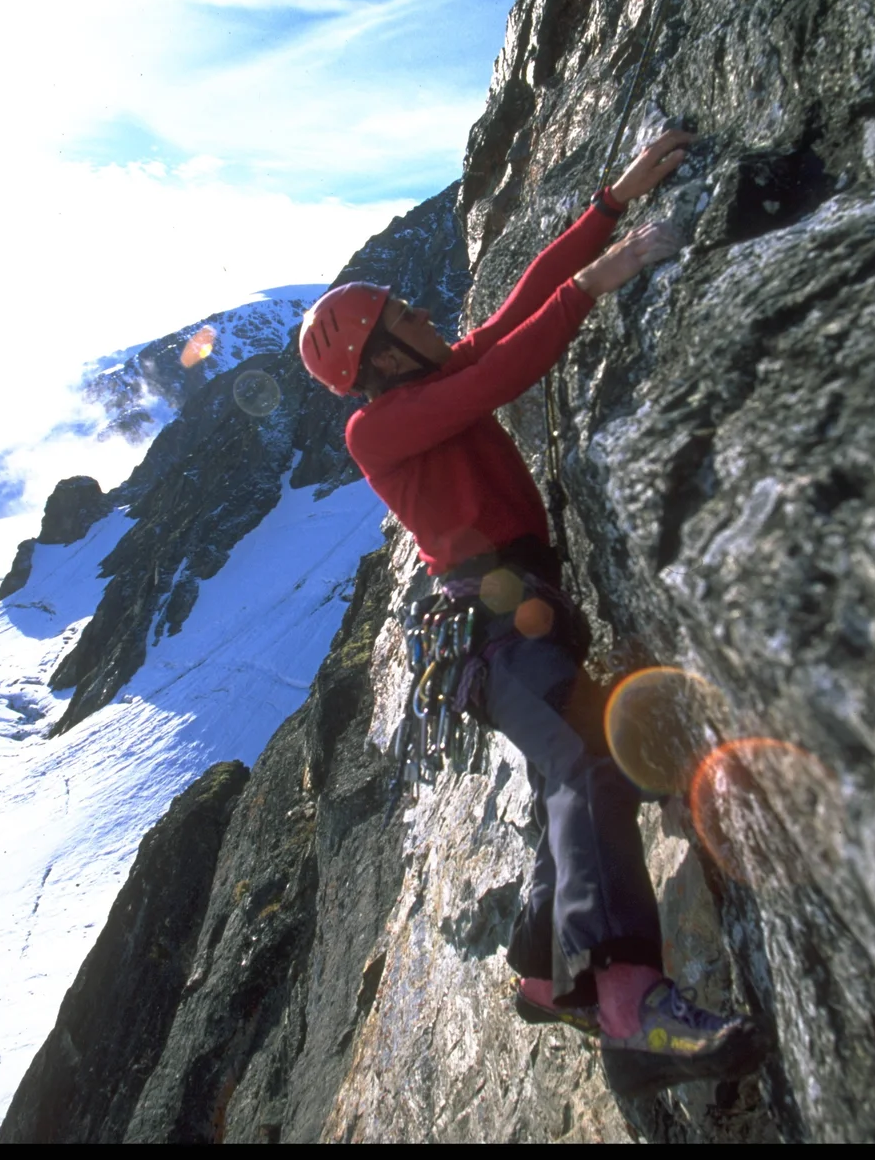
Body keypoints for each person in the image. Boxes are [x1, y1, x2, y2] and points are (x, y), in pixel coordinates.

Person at [297, 130, 766, 1084]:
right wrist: (606, 278)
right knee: (586, 763)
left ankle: (543, 975)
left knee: (577, 764)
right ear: (378, 359)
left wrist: (616, 198)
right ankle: (626, 1005)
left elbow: (514, 313)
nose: (427, 314)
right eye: (403, 315)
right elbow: (510, 364)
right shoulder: (377, 427)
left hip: (511, 625)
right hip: (492, 635)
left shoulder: (428, 386)